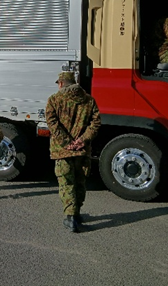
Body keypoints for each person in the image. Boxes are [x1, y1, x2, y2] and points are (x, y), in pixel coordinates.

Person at [46, 71, 100, 233]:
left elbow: (52, 123)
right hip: (82, 151)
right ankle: (77, 214)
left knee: (66, 183)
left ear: (61, 83)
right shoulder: (89, 100)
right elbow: (95, 123)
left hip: (62, 151)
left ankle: (70, 218)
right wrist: (82, 140)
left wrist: (66, 142)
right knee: (80, 182)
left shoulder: (54, 99)